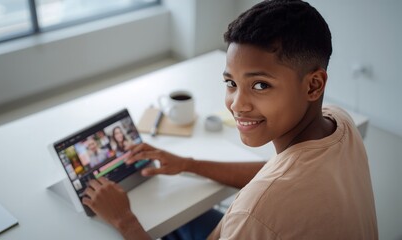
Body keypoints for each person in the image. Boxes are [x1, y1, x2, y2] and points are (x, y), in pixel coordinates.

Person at [81, 0, 378, 239]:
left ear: (313, 85)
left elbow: (267, 196)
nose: (237, 105)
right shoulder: (339, 123)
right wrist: (188, 164)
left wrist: (125, 221)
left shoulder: (256, 213)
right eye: (231, 83)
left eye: (260, 85)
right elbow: (277, 172)